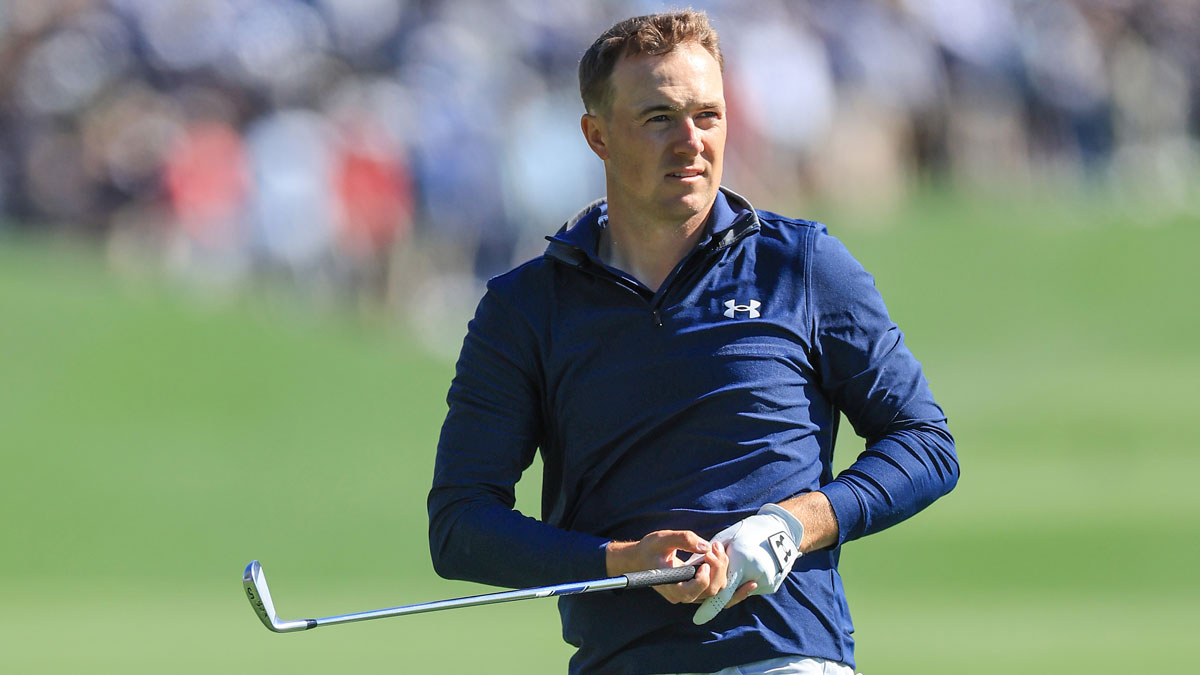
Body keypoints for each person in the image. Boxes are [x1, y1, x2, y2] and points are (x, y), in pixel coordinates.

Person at [428, 10, 958, 675]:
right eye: (658, 119)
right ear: (597, 136)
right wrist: (620, 560)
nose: (690, 141)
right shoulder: (526, 308)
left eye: (708, 115)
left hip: (787, 659)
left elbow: (925, 445)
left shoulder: (802, 264)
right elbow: (460, 526)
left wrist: (794, 523)